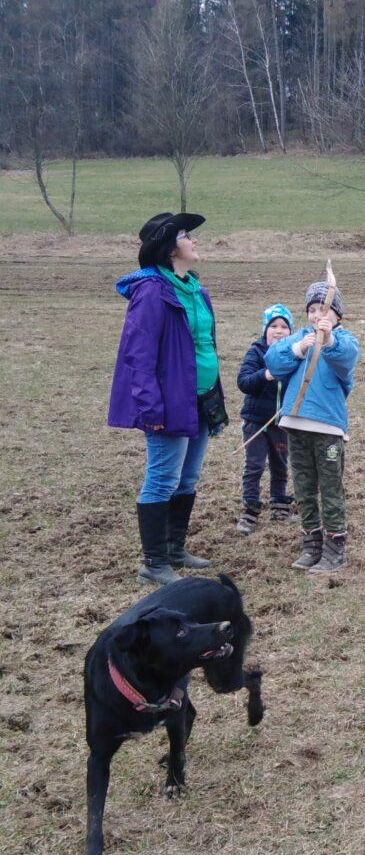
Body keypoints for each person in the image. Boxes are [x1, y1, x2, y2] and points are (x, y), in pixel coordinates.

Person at [108, 212, 229, 585]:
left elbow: (204, 345)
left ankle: (175, 548)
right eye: (187, 236)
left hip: (202, 398)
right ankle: (154, 562)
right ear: (171, 248)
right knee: (163, 477)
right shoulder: (151, 292)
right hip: (168, 402)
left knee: (188, 477)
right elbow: (138, 355)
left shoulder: (196, 289)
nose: (195, 241)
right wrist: (150, 407)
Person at [263, 279, 359, 573]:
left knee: (330, 487)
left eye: (326, 310)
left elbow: (346, 360)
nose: (319, 316)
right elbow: (274, 363)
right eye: (314, 310)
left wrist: (328, 340)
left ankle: (334, 546)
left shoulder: (345, 340)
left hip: (328, 428)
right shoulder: (299, 339)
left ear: (338, 316)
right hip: (295, 424)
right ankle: (310, 543)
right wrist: (297, 350)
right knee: (304, 486)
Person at [236, 304, 296, 534]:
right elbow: (244, 382)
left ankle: (280, 505)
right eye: (273, 326)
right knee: (254, 465)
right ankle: (250, 510)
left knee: (280, 464)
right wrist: (266, 374)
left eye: (284, 327)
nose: (279, 331)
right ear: (265, 329)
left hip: (282, 422)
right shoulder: (257, 352)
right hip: (256, 421)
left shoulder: (294, 354)